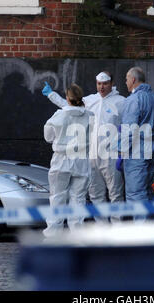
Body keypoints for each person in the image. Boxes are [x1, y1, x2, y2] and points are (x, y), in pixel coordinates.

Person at [42, 72, 126, 211]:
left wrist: (123, 148)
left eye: (105, 84)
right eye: (99, 83)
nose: (102, 87)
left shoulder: (121, 102)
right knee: (95, 194)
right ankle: (101, 228)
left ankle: (116, 229)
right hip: (91, 154)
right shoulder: (90, 100)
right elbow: (69, 106)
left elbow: (129, 123)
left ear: (111, 83)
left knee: (116, 193)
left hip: (110, 154)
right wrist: (52, 95)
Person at [42, 84, 93, 237]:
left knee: (57, 198)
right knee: (78, 199)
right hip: (81, 160)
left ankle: (52, 237)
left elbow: (48, 137)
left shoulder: (59, 115)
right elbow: (76, 111)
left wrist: (52, 95)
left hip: (61, 159)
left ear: (67, 97)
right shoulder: (90, 115)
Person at [120, 67, 154, 208]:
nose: (125, 82)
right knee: (148, 192)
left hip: (137, 153)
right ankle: (148, 228)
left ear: (133, 79)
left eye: (126, 79)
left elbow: (129, 129)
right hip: (152, 150)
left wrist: (121, 150)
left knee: (135, 194)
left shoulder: (133, 99)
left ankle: (140, 229)